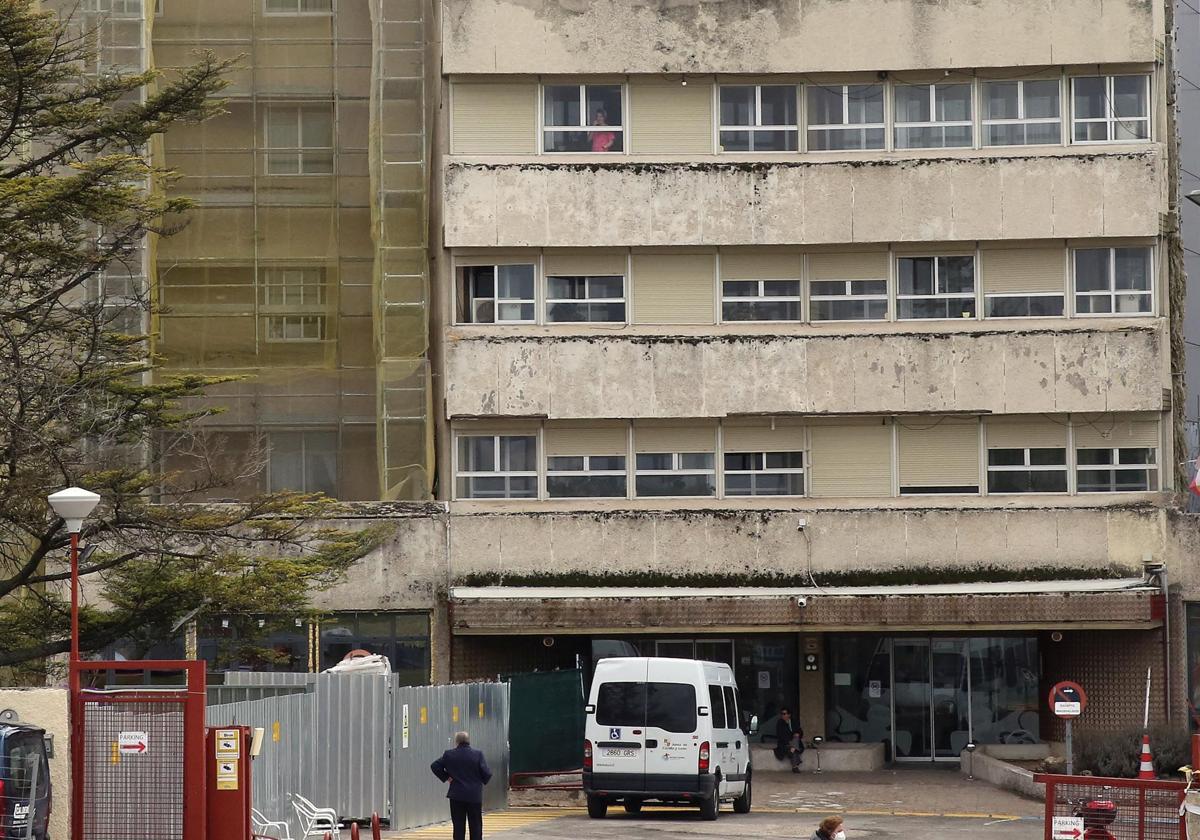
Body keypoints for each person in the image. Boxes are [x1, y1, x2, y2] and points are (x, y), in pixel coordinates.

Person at [431, 731, 493, 840]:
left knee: (458, 825)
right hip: (474, 795)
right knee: (476, 825)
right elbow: (487, 774)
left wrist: (447, 777)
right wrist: (479, 781)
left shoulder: (449, 754)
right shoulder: (478, 754)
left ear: (456, 742)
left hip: (456, 795)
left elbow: (435, 766)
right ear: (469, 741)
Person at [774, 707, 804, 772]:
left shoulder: (793, 722)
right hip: (785, 742)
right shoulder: (780, 723)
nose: (783, 715)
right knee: (793, 749)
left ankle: (792, 750)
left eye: (785, 714)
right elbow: (780, 735)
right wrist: (790, 743)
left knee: (795, 739)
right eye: (782, 714)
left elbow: (800, 731)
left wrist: (798, 734)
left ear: (789, 715)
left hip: (794, 741)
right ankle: (795, 766)